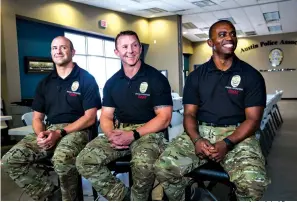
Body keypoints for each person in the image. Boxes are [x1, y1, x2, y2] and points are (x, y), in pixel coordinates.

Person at [154, 20, 271, 201]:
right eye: (222, 35)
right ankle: (188, 196)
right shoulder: (196, 77)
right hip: (201, 131)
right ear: (210, 43)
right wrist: (197, 140)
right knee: (163, 168)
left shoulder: (251, 76)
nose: (229, 38)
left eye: (232, 34)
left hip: (238, 134)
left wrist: (227, 143)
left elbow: (253, 120)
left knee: (253, 182)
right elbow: (189, 114)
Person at [76, 30, 173, 201]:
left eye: (135, 45)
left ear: (140, 48)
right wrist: (110, 134)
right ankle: (125, 198)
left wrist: (133, 134)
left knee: (143, 165)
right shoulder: (112, 83)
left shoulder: (156, 78)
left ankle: (139, 198)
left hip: (148, 132)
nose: (130, 50)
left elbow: (164, 118)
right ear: (117, 52)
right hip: (119, 130)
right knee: (84, 160)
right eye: (125, 46)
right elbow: (106, 116)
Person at [2, 36, 101, 201]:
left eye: (63, 47)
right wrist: (41, 134)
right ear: (51, 52)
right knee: (10, 159)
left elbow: (90, 118)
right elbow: (37, 118)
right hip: (50, 129)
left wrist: (60, 133)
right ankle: (53, 196)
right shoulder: (44, 83)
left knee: (62, 159)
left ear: (73, 52)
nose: (58, 51)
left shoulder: (86, 79)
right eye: (54, 48)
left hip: (79, 130)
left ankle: (71, 198)